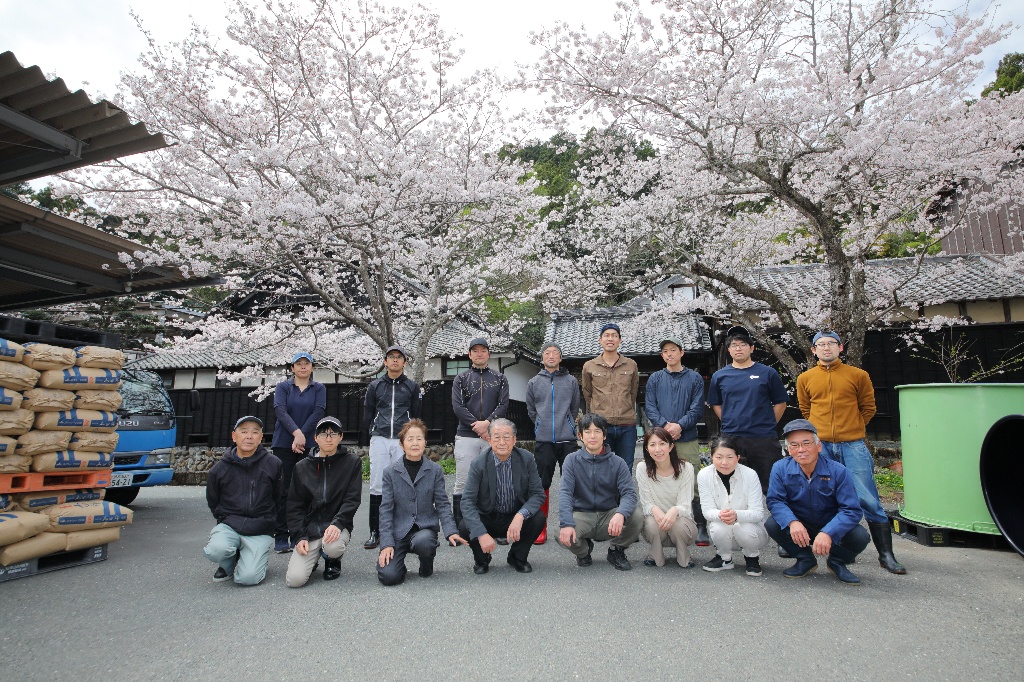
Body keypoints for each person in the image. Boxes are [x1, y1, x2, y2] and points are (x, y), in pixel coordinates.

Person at [797, 330, 906, 575]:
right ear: (813, 350)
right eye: (821, 345)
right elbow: (806, 409)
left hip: (853, 444)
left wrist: (853, 427)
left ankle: (886, 555)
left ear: (841, 347)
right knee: (824, 497)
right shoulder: (805, 378)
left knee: (867, 497)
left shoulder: (858, 375)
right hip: (821, 445)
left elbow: (868, 407)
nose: (827, 349)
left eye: (831, 344)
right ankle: (835, 549)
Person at [765, 419, 870, 585]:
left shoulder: (838, 471)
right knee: (773, 524)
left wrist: (829, 532)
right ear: (788, 450)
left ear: (818, 446)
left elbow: (851, 510)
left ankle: (837, 561)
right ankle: (805, 560)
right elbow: (775, 501)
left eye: (807, 443)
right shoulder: (780, 468)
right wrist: (792, 522)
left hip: (830, 522)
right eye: (794, 445)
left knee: (860, 536)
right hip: (801, 524)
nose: (801, 450)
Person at [377, 419, 467, 586]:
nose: (415, 443)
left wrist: (450, 531)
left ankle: (426, 563)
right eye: (410, 439)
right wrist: (386, 544)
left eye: (419, 438)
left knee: (424, 542)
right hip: (399, 531)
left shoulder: (435, 470)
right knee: (389, 577)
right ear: (402, 444)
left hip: (424, 529)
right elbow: (386, 510)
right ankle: (399, 567)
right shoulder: (390, 472)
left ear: (425, 442)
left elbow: (442, 503)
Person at [644, 336, 710, 545]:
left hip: (686, 437)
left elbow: (697, 408)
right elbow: (650, 406)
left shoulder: (695, 378)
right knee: (660, 478)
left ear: (681, 353)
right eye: (665, 351)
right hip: (660, 440)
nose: (669, 354)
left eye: (673, 350)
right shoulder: (655, 378)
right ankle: (661, 522)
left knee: (695, 481)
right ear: (662, 355)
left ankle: (700, 525)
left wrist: (680, 426)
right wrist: (665, 427)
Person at [459, 419, 546, 574]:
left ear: (514, 440)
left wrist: (520, 516)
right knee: (465, 525)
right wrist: (480, 532)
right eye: (496, 437)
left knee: (538, 517)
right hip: (488, 516)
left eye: (506, 437)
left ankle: (517, 556)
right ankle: (482, 558)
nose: (501, 442)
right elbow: (467, 501)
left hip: (514, 516)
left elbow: (538, 494)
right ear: (489, 440)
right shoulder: (479, 463)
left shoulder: (526, 459)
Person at [558, 412, 644, 571]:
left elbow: (629, 494)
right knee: (561, 531)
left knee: (636, 516)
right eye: (587, 431)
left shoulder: (618, 462)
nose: (592, 436)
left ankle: (616, 550)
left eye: (597, 431)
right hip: (582, 515)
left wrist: (620, 514)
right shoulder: (571, 460)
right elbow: (565, 493)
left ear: (604, 435)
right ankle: (584, 552)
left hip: (608, 515)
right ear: (580, 436)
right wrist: (567, 523)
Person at [707, 326, 788, 493]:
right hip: (732, 437)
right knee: (733, 486)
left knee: (771, 485)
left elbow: (780, 402)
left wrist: (769, 424)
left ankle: (775, 518)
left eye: (743, 344)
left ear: (751, 348)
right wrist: (729, 421)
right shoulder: (720, 376)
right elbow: (716, 403)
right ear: (729, 350)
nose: (738, 348)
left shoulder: (768, 373)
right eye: (734, 345)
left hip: (763, 438)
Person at [203, 416, 282, 586]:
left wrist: (271, 522)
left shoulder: (273, 464)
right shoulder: (220, 469)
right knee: (216, 550)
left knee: (248, 578)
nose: (249, 436)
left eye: (255, 432)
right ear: (234, 436)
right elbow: (213, 500)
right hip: (230, 525)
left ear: (261, 438)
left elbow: (279, 496)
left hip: (260, 527)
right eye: (244, 431)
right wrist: (224, 519)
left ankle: (254, 558)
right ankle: (228, 562)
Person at [284, 416, 362, 587]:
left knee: (332, 547)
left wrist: (338, 523)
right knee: (294, 580)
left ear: (341, 437)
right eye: (323, 434)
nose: (328, 438)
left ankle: (332, 560)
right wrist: (299, 536)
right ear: (315, 437)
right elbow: (294, 505)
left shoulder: (352, 463)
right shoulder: (302, 467)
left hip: (335, 528)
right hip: (310, 529)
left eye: (333, 434)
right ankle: (313, 558)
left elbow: (352, 499)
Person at [362, 344, 422, 550]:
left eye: (399, 357)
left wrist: (412, 439)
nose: (395, 360)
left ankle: (406, 529)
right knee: (377, 484)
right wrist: (367, 435)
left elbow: (415, 415)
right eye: (391, 357)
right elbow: (368, 413)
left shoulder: (412, 387)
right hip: (379, 437)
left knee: (404, 483)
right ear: (385, 361)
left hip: (401, 439)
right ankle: (375, 531)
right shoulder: (375, 386)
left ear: (404, 362)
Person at [524, 341, 579, 545]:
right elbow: (531, 409)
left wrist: (570, 426)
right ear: (542, 358)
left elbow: (574, 408)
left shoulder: (571, 381)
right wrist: (540, 425)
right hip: (544, 439)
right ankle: (540, 528)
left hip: (568, 439)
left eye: (555, 352)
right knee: (541, 484)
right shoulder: (534, 382)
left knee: (572, 482)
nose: (551, 355)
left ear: (560, 358)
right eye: (547, 352)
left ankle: (573, 525)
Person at [450, 337, 509, 529]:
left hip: (493, 437)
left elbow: (503, 405)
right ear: (469, 355)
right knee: (463, 480)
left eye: (483, 350)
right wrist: (478, 426)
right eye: (475, 351)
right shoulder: (461, 378)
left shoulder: (500, 378)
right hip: (466, 436)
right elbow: (458, 407)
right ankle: (459, 527)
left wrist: (488, 424)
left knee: (495, 481)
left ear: (489, 354)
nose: (479, 354)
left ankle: (496, 525)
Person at [271, 351, 327, 553]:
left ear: (312, 367)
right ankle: (281, 534)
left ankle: (304, 534)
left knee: (309, 489)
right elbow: (280, 410)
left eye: (307, 363)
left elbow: (318, 411)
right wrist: (296, 433)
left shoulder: (318, 388)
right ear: (292, 367)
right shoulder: (283, 387)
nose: (303, 367)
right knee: (284, 489)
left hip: (309, 443)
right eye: (299, 364)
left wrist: (302, 435)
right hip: (284, 443)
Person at [697, 436, 769, 576]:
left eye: (730, 457)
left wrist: (737, 515)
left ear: (738, 457)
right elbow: (707, 511)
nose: (725, 462)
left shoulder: (750, 474)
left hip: (752, 532)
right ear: (711, 457)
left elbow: (758, 513)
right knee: (718, 525)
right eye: (719, 457)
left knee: (743, 526)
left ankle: (752, 557)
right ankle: (724, 558)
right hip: (725, 532)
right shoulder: (704, 475)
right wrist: (720, 515)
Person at [635, 427, 697, 568]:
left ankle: (684, 556)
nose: (658, 449)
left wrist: (673, 511)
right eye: (652, 445)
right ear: (646, 449)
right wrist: (656, 511)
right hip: (657, 525)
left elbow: (685, 505)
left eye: (662, 443)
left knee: (678, 524)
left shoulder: (686, 468)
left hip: (682, 524)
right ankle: (655, 555)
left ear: (671, 446)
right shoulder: (642, 468)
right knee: (650, 524)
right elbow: (646, 503)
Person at [581, 323, 640, 470]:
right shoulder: (590, 366)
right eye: (606, 335)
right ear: (600, 340)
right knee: (602, 467)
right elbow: (588, 393)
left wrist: (624, 406)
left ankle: (623, 494)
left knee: (625, 467)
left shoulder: (631, 365)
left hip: (627, 425)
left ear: (620, 340)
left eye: (614, 335)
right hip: (601, 425)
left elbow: (633, 392)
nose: (610, 339)